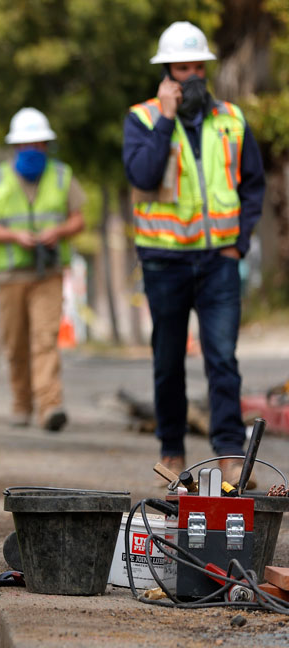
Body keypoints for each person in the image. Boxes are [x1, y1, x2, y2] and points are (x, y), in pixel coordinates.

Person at [122, 21, 265, 484]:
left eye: (200, 67)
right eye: (184, 68)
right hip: (164, 262)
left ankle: (228, 455)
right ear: (167, 73)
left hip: (219, 260)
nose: (194, 76)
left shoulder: (231, 119)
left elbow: (253, 186)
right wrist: (166, 118)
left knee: (223, 358)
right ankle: (172, 453)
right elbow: (142, 176)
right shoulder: (142, 119)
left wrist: (237, 245)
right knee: (168, 361)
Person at [0, 108, 85, 432]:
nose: (33, 150)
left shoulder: (62, 176)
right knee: (16, 343)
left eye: (39, 144)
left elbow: (79, 219)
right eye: (27, 145)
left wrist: (60, 231)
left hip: (48, 273)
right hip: (11, 276)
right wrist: (13, 236)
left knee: (45, 339)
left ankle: (50, 406)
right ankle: (22, 403)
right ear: (15, 148)